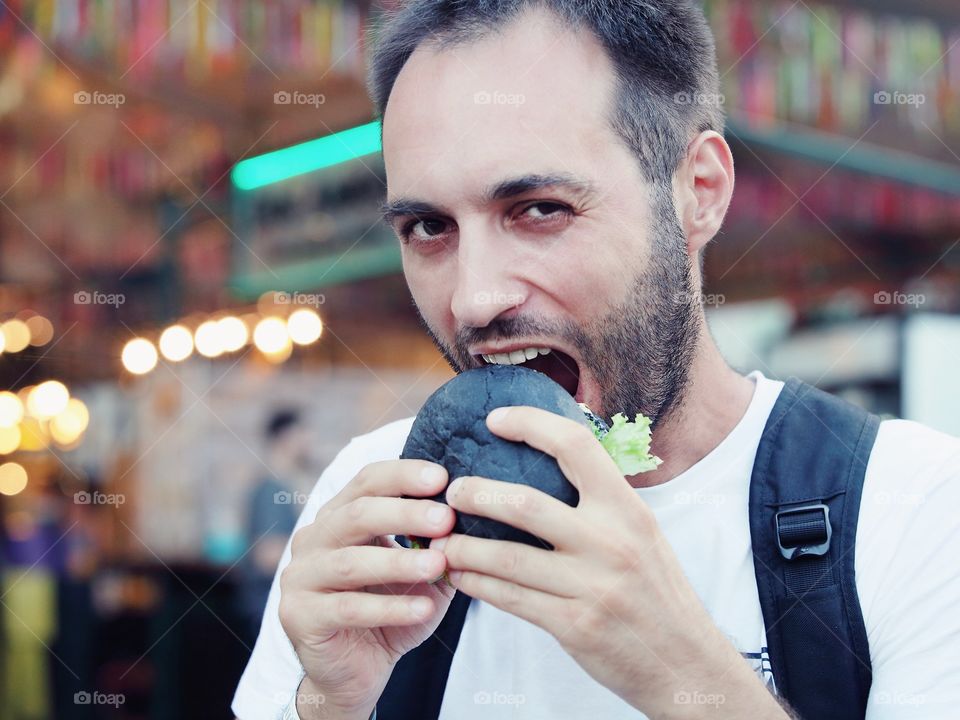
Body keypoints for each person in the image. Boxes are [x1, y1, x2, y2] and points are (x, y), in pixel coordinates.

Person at [232, 1, 960, 718]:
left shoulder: (915, 510)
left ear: (697, 193)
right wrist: (328, 704)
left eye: (540, 208)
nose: (474, 298)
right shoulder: (373, 501)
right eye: (428, 226)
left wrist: (688, 681)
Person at [238, 409, 312, 643]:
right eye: (303, 432)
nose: (309, 439)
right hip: (268, 609)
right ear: (285, 437)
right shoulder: (272, 490)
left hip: (275, 607)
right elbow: (267, 556)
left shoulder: (281, 487)